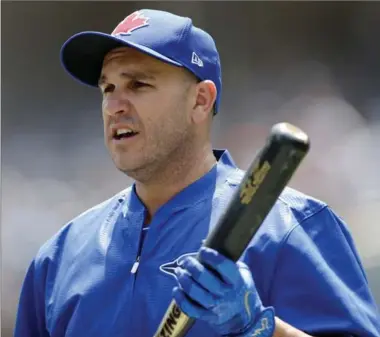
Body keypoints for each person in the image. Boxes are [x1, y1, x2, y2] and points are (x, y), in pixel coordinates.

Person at [14, 8, 380, 337]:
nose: (114, 105)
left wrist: (261, 330)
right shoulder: (59, 256)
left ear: (201, 100)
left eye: (138, 84)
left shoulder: (291, 227)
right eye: (107, 88)